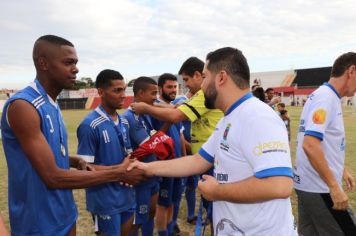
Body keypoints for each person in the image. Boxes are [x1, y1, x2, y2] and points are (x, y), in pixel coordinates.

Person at [129, 47, 297, 235]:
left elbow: (279, 185)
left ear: (221, 78)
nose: (201, 85)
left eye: (205, 76)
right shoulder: (228, 118)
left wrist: (217, 192)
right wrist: (147, 168)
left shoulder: (257, 116)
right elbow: (198, 161)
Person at [0, 35, 145, 235]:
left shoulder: (52, 103)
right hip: (37, 222)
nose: (75, 68)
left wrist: (74, 160)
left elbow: (44, 156)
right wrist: (120, 173)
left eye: (75, 62)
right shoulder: (24, 106)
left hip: (64, 212)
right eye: (68, 62)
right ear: (43, 63)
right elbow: (52, 177)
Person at [131, 57, 224, 232]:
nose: (185, 85)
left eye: (186, 80)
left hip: (211, 161)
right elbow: (174, 109)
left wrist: (146, 108)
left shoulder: (204, 95)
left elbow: (175, 116)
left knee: (216, 213)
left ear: (198, 75)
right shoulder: (198, 96)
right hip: (202, 160)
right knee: (211, 210)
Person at [294, 52, 356, 235]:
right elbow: (310, 144)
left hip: (308, 186)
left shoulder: (325, 96)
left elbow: (323, 141)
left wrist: (341, 169)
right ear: (351, 71)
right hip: (320, 189)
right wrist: (334, 187)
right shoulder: (326, 98)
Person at [76, 69, 136, 235]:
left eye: (124, 89)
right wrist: (120, 171)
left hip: (127, 194)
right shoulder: (90, 125)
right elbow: (84, 169)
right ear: (101, 92)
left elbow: (128, 154)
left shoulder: (123, 120)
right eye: (117, 90)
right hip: (105, 199)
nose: (123, 95)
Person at [122, 76, 160, 236]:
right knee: (138, 219)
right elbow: (151, 145)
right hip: (141, 178)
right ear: (140, 93)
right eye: (153, 93)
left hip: (152, 173)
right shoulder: (130, 117)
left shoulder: (145, 113)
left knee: (151, 213)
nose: (156, 97)